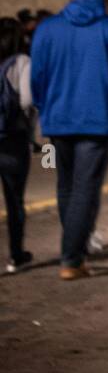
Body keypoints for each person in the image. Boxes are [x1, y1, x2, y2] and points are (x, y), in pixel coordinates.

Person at [29, 0, 108, 280]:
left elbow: (37, 76)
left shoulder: (47, 29)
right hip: (96, 119)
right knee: (85, 189)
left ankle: (74, 249)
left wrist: (45, 106)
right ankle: (72, 258)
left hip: (59, 120)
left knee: (67, 185)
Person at [0, 17, 37, 272]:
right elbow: (27, 101)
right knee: (14, 201)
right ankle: (16, 255)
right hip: (12, 140)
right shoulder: (22, 62)